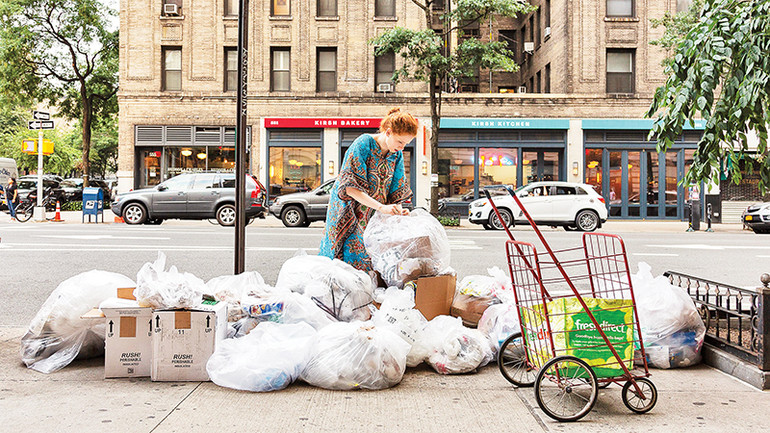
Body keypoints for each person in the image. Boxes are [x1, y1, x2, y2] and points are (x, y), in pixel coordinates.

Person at [319, 107, 418, 272]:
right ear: (388, 132)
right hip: (348, 211)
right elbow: (350, 188)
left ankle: (367, 295)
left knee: (371, 258)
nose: (402, 147)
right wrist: (381, 207)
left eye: (406, 144)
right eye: (400, 142)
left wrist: (398, 211)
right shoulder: (364, 143)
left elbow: (396, 191)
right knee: (346, 259)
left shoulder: (397, 155)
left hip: (373, 214)